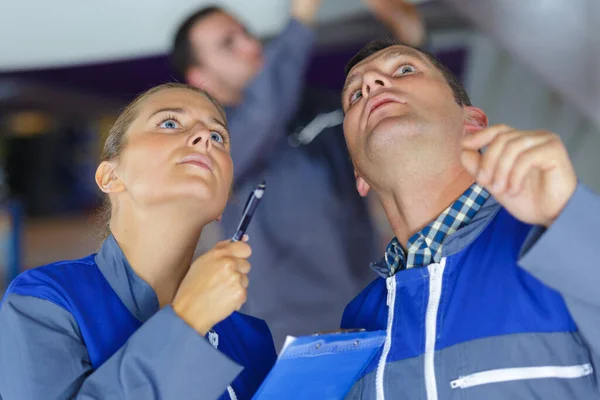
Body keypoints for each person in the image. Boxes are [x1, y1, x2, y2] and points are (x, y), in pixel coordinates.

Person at [338, 39, 600, 399]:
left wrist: (572, 220)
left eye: (404, 70)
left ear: (472, 123)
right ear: (359, 173)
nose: (370, 85)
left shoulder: (562, 240)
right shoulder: (356, 325)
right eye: (355, 94)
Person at [0, 83, 276, 400]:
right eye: (170, 123)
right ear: (110, 177)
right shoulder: (44, 303)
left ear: (224, 198)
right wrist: (190, 319)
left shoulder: (252, 340)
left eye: (218, 137)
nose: (204, 139)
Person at [170, 0, 417, 348]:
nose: (252, 45)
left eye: (246, 34)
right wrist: (300, 18)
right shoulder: (215, 147)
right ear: (201, 78)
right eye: (229, 44)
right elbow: (265, 110)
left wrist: (410, 36)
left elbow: (406, 124)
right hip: (290, 338)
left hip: (370, 312)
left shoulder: (320, 108)